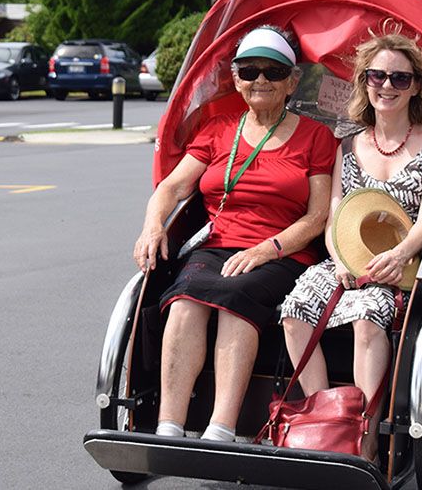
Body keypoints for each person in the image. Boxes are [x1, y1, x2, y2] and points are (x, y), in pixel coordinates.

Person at [134, 26, 337, 442]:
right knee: (185, 298)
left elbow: (317, 217)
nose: (261, 80)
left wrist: (266, 249)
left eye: (273, 72)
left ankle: (221, 428)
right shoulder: (218, 130)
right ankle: (169, 425)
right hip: (218, 244)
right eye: (250, 71)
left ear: (292, 81)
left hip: (283, 251)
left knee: (234, 296)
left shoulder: (316, 136)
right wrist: (152, 225)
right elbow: (171, 188)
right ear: (236, 79)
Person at [280, 28, 422, 462]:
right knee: (294, 309)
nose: (387, 86)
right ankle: (328, 420)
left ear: (416, 85)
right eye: (377, 76)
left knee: (366, 315)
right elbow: (336, 210)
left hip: (403, 262)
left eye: (399, 78)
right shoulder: (350, 143)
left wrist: (399, 254)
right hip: (347, 257)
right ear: (364, 82)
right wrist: (339, 258)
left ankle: (366, 436)